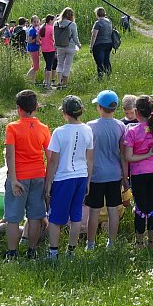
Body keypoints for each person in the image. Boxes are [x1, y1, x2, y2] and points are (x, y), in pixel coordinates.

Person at [45, 95, 94, 260]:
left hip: (63, 178)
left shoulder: (59, 132)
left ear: (65, 112)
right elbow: (90, 158)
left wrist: (48, 182)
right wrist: (88, 180)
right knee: (76, 215)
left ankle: (53, 253)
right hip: (81, 176)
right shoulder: (88, 129)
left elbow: (53, 161)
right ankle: (71, 251)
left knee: (55, 218)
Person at [3, 89, 50, 260]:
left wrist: (13, 179)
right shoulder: (44, 128)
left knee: (13, 217)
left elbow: (10, 155)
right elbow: (50, 156)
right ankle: (32, 250)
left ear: (18, 108)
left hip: (19, 177)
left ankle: (12, 253)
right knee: (35, 215)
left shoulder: (12, 127)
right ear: (36, 107)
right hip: (38, 175)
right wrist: (48, 180)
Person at [123, 95, 153, 248]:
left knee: (140, 207)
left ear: (136, 112)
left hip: (138, 174)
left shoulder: (132, 131)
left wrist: (145, 155)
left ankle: (139, 242)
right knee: (152, 206)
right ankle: (152, 241)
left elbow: (128, 157)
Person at [85, 90, 127, 250]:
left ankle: (90, 244)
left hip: (96, 174)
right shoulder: (121, 126)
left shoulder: (90, 126)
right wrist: (125, 176)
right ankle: (112, 242)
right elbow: (123, 154)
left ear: (99, 107)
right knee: (113, 210)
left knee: (94, 211)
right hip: (115, 173)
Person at [53, 8, 80, 87]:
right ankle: (64, 83)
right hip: (70, 46)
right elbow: (75, 37)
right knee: (67, 65)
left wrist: (55, 44)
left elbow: (54, 35)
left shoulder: (56, 23)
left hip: (59, 46)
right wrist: (78, 44)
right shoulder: (72, 24)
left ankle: (58, 82)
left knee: (60, 64)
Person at [90, 7, 115, 79]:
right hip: (109, 43)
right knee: (106, 60)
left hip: (99, 45)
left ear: (97, 14)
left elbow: (94, 35)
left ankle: (100, 76)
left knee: (99, 62)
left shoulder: (98, 23)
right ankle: (109, 75)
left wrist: (91, 46)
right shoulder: (109, 21)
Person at [39, 13, 57, 90]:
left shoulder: (42, 27)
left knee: (47, 65)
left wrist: (41, 43)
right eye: (53, 20)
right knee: (49, 66)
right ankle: (48, 83)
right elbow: (54, 39)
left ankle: (45, 81)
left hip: (44, 49)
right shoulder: (51, 28)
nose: (54, 22)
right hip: (51, 49)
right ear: (50, 20)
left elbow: (37, 38)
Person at [25, 16, 41, 83]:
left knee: (34, 65)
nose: (36, 23)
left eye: (37, 22)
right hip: (33, 49)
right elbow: (29, 41)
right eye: (34, 22)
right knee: (36, 67)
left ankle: (33, 80)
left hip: (35, 48)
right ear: (31, 22)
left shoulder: (36, 29)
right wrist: (37, 38)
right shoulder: (31, 30)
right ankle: (26, 78)